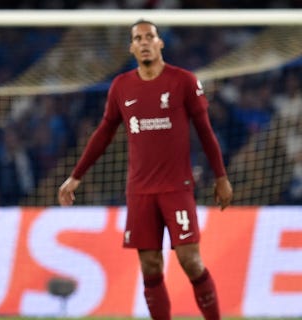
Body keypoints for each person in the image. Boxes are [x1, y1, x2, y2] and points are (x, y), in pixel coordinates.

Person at [58, 20, 233, 319]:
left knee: (190, 260)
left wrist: (221, 177)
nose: (144, 42)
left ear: (160, 42)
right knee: (150, 266)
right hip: (140, 191)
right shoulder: (121, 86)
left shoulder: (184, 82)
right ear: (131, 47)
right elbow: (103, 133)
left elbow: (205, 131)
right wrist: (76, 176)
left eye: (149, 36)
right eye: (137, 38)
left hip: (177, 188)